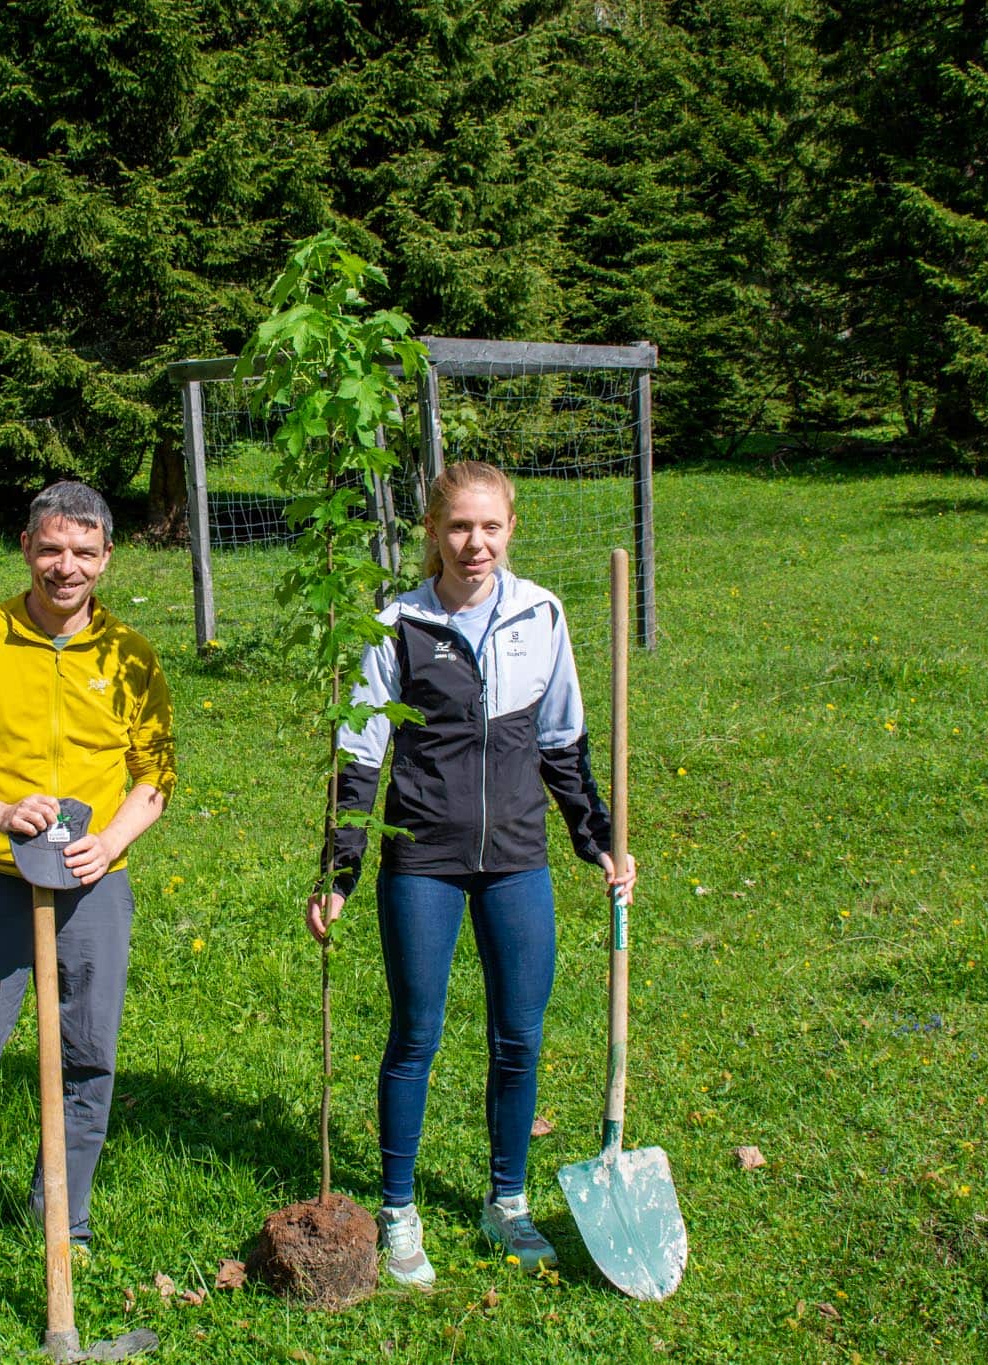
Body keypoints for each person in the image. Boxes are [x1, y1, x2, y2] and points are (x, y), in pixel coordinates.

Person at [305, 459, 637, 1289]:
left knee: (519, 1034)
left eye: (490, 526)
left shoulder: (542, 614)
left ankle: (507, 1199)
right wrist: (339, 872)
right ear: (432, 531)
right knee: (416, 1032)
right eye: (459, 526)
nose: (475, 542)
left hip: (518, 856)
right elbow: (359, 755)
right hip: (423, 856)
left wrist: (595, 839)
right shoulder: (397, 625)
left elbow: (562, 741)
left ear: (511, 528)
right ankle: (399, 1210)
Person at [0, 481, 176, 1306]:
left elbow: (156, 775)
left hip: (94, 890)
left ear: (108, 557)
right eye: (51, 548)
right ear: (25, 546)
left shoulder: (131, 657)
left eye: (84, 552)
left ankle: (66, 1219)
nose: (67, 567)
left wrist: (109, 843)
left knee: (88, 1058)